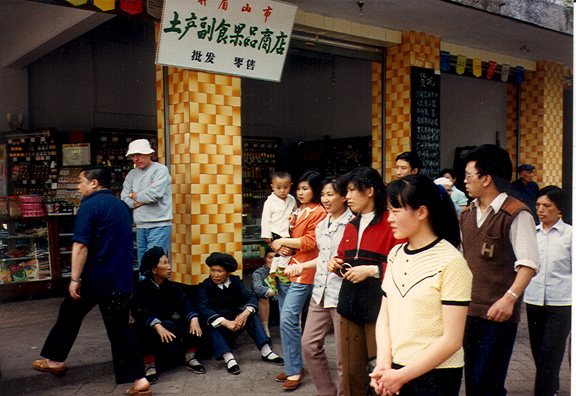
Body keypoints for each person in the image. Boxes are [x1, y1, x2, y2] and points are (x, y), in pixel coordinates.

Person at [32, 165, 150, 396]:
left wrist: (75, 278)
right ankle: (139, 380)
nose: (77, 186)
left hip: (95, 279)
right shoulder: (121, 206)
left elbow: (80, 246)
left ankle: (55, 361)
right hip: (121, 279)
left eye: (80, 181)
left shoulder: (89, 206)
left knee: (69, 313)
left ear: (93, 183)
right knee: (119, 331)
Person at [370, 174, 472, 396]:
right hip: (394, 370)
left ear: (422, 212)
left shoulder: (451, 262)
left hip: (435, 375)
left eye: (396, 211)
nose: (389, 218)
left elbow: (452, 339)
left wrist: (402, 376)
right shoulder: (396, 253)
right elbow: (385, 315)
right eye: (388, 211)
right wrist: (383, 364)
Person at [460, 144, 539, 396]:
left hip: (499, 315)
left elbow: (528, 264)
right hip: (469, 312)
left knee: (488, 384)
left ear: (486, 179)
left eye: (469, 176)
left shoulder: (516, 213)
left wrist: (510, 299)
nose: (464, 182)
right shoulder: (467, 214)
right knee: (472, 381)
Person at [327, 167, 404, 396]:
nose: (347, 197)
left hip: (380, 309)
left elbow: (404, 264)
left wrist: (371, 270)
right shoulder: (351, 225)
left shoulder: (391, 223)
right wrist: (336, 264)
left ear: (370, 191)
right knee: (351, 373)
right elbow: (343, 259)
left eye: (352, 191)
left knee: (378, 370)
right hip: (349, 306)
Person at [285, 177, 354, 396]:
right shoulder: (323, 223)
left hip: (341, 294)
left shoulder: (353, 224)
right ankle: (326, 391)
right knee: (309, 345)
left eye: (331, 194)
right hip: (319, 293)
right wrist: (302, 266)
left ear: (344, 197)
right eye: (323, 195)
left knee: (345, 356)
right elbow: (324, 258)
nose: (326, 199)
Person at [271, 170, 327, 390]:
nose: (300, 192)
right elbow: (290, 237)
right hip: (288, 267)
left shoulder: (319, 211)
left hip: (306, 270)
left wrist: (285, 240)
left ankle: (296, 369)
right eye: (299, 188)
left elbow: (311, 242)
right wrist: (280, 243)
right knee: (288, 322)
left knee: (287, 318)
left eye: (306, 188)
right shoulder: (299, 208)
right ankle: (294, 365)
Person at [197, 252, 283, 375]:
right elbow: (203, 308)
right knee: (212, 324)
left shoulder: (235, 281)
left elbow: (250, 298)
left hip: (236, 322)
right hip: (220, 325)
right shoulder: (205, 286)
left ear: (228, 273)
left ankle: (266, 351)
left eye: (220, 271)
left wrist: (245, 314)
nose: (215, 275)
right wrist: (226, 323)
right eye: (213, 270)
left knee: (251, 314)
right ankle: (228, 357)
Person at [130, 247, 205, 384]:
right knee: (139, 329)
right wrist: (156, 325)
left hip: (168, 323)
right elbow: (140, 310)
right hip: (151, 325)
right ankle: (149, 364)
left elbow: (185, 304)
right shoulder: (142, 288)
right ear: (154, 270)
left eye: (168, 262)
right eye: (164, 263)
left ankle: (190, 357)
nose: (169, 267)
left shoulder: (173, 286)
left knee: (192, 320)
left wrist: (193, 318)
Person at [524, 186, 572, 396]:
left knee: (550, 351)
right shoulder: (531, 234)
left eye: (547, 206)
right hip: (534, 300)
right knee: (538, 351)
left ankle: (544, 391)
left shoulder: (570, 235)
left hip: (562, 301)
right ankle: (550, 386)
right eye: (538, 205)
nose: (540, 210)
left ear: (559, 208)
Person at [121, 139, 173, 268]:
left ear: (150, 154)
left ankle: (154, 289)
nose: (136, 159)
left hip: (159, 224)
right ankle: (146, 289)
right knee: (144, 266)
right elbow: (124, 200)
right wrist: (144, 196)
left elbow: (154, 195)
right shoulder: (132, 174)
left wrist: (133, 194)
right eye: (133, 156)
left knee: (155, 266)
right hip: (140, 225)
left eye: (139, 155)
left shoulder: (160, 170)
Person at [260, 171, 298, 289]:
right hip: (276, 231)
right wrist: (266, 235)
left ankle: (272, 275)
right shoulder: (270, 202)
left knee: (281, 255)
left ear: (290, 186)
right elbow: (265, 219)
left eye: (285, 188)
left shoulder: (291, 199)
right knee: (284, 253)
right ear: (272, 187)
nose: (282, 191)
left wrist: (294, 215)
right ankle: (281, 271)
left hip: (287, 231)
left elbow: (296, 210)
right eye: (278, 188)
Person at [252, 248, 278, 337]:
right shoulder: (259, 273)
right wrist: (279, 291)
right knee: (263, 297)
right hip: (265, 308)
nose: (272, 261)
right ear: (265, 259)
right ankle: (265, 332)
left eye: (276, 258)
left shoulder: (285, 271)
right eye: (270, 258)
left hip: (281, 305)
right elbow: (259, 290)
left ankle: (298, 329)